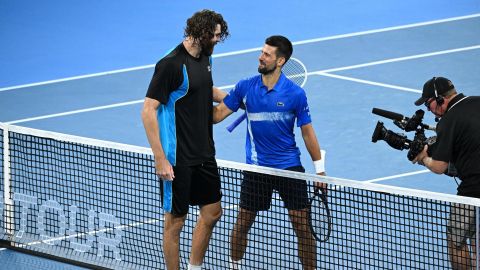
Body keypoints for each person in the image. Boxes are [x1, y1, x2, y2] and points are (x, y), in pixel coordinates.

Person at [213, 35, 326, 270]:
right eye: (262, 52)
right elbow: (217, 115)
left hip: (289, 167)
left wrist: (320, 171)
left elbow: (307, 132)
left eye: (267, 54)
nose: (260, 57)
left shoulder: (295, 94)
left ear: (281, 61)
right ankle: (234, 266)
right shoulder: (246, 86)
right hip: (257, 167)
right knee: (243, 221)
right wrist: (192, 101)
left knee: (302, 225)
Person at [141, 9, 229, 270]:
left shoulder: (205, 57)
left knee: (213, 212)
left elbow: (205, 87)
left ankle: (194, 268)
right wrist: (160, 158)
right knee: (175, 222)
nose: (217, 40)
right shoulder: (170, 65)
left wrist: (232, 99)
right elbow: (148, 110)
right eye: (214, 36)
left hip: (204, 153)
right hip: (177, 158)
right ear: (200, 34)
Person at [412, 77, 480, 270]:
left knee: (456, 240)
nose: (429, 109)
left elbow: (440, 167)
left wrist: (424, 158)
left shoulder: (449, 120)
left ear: (440, 99)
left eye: (428, 104)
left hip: (473, 190)